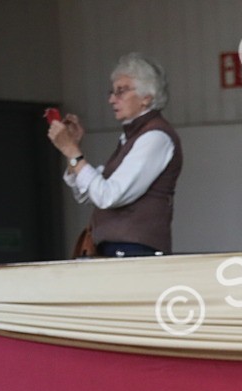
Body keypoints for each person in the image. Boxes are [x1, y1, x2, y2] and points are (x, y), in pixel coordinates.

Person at [47, 52, 182, 257]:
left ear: (147, 97)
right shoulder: (132, 136)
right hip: (120, 251)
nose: (112, 99)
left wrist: (71, 151)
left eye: (121, 91)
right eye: (112, 92)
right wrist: (73, 149)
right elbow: (86, 193)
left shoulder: (155, 137)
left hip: (135, 252)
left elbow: (108, 196)